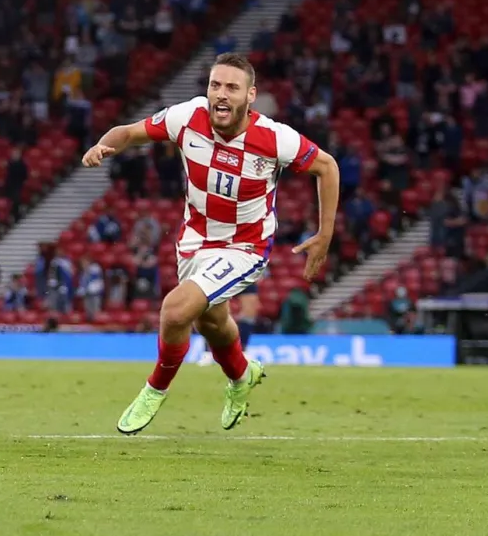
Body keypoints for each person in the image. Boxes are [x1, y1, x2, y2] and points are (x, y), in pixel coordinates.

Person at [82, 53, 338, 435]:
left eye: (232, 87)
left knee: (175, 311)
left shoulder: (274, 138)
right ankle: (242, 376)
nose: (221, 94)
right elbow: (130, 132)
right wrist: (103, 146)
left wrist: (325, 234)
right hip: (194, 241)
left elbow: (327, 166)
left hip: (245, 247)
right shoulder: (188, 116)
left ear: (250, 95)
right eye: (215, 85)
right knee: (212, 322)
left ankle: (155, 389)